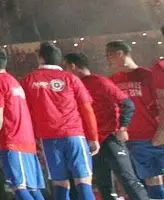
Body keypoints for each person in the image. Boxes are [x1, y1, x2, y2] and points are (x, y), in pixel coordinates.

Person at [21, 42, 99, 200]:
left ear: (41, 58)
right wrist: (93, 137)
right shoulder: (71, 78)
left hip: (49, 139)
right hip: (74, 136)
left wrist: (32, 139)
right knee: (83, 181)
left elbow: (25, 113)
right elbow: (86, 109)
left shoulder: (29, 80)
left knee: (60, 184)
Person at [63, 52, 145, 200]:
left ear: (73, 66)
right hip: (92, 142)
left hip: (109, 137)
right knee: (104, 184)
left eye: (66, 66)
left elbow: (127, 103)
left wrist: (122, 127)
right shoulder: (73, 85)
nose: (65, 70)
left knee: (128, 179)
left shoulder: (99, 81)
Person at [0, 46, 47, 200]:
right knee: (33, 188)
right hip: (27, 141)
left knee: (19, 187)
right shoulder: (13, 81)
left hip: (12, 140)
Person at [107, 40, 164, 200]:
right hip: (134, 139)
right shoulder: (112, 80)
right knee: (150, 178)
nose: (107, 59)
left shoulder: (148, 75)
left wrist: (161, 130)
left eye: (109, 55)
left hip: (156, 135)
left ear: (120, 53)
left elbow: (160, 102)